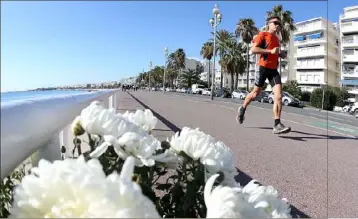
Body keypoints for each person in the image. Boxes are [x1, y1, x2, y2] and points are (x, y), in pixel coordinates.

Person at [236, 15, 291, 134]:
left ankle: (277, 124)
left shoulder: (277, 39)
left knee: (279, 96)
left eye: (279, 24)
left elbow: (274, 53)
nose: (277, 25)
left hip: (273, 70)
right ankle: (243, 108)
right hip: (262, 68)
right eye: (275, 23)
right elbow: (254, 50)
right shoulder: (263, 35)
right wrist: (270, 51)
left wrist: (280, 54)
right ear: (269, 24)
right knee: (255, 94)